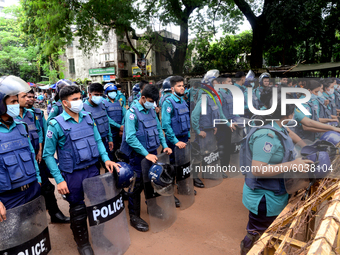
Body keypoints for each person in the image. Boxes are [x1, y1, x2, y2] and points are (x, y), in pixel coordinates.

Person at [43, 85, 120, 255]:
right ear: (65, 103)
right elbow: (48, 155)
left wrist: (106, 159)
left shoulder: (87, 117)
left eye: (80, 98)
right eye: (75, 99)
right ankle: (83, 244)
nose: (80, 102)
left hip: (92, 170)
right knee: (78, 210)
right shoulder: (56, 124)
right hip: (73, 175)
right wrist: (59, 179)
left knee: (96, 206)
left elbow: (98, 140)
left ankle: (100, 236)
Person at [239, 89, 313, 254]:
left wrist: (305, 146)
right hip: (264, 197)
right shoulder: (266, 136)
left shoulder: (277, 124)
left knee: (272, 231)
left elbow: (288, 133)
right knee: (259, 233)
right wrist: (293, 164)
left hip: (275, 190)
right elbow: (258, 169)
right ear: (288, 114)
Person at [120, 84, 172, 232]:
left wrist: (164, 145)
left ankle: (152, 207)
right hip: (139, 156)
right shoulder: (132, 113)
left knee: (151, 181)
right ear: (143, 97)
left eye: (154, 101)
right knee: (136, 185)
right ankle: (134, 216)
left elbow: (158, 129)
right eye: (150, 100)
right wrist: (145, 154)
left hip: (152, 153)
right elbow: (130, 138)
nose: (152, 104)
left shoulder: (151, 110)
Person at [0, 75, 41, 221]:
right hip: (10, 197)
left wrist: (38, 178)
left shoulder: (21, 126)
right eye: (13, 102)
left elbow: (31, 154)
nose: (17, 105)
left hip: (32, 189)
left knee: (35, 231)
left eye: (17, 101)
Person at [26, 90, 70, 223]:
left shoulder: (36, 114)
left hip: (40, 158)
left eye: (33, 97)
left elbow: (44, 133)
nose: (31, 99)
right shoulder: (13, 118)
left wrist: (42, 152)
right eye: (27, 97)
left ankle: (55, 214)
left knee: (47, 187)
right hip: (25, 161)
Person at [161, 76, 191, 207]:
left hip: (184, 138)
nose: (182, 87)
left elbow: (186, 119)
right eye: (179, 86)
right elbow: (166, 125)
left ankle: (182, 187)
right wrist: (174, 141)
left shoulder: (183, 101)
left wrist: (188, 135)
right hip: (174, 140)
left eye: (183, 85)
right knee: (172, 166)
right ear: (172, 88)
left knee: (183, 164)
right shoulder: (168, 102)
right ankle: (171, 194)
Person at [83, 83, 114, 166]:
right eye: (96, 95)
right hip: (92, 143)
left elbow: (107, 121)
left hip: (104, 140)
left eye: (101, 95)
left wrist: (110, 138)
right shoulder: (83, 108)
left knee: (109, 164)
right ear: (89, 94)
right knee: (96, 168)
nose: (99, 97)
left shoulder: (102, 105)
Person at [102, 83, 126, 162]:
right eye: (110, 91)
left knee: (121, 151)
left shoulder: (119, 102)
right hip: (111, 132)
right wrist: (119, 127)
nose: (113, 93)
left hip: (121, 131)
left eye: (114, 91)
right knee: (111, 151)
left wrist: (122, 127)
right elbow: (107, 118)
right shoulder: (104, 103)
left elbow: (124, 114)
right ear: (107, 93)